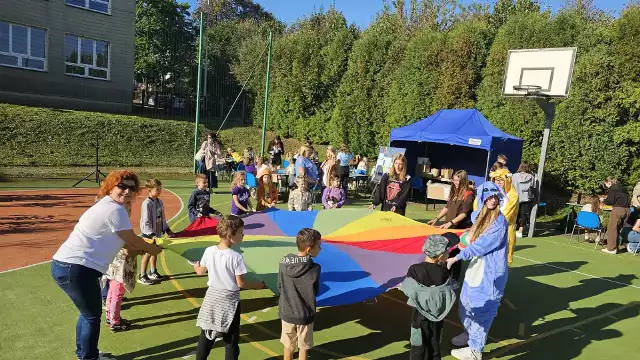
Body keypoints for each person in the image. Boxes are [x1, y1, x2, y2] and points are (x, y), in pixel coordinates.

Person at [51, 171, 162, 360]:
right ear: (111, 186)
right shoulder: (115, 209)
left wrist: (144, 249)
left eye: (131, 188)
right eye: (122, 186)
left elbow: (127, 248)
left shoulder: (108, 206)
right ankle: (89, 357)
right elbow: (131, 239)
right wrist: (152, 248)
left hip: (69, 267)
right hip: (77, 269)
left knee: (87, 314)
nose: (127, 191)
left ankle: (85, 354)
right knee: (92, 317)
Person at [445, 182, 509, 360]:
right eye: (488, 197)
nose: (492, 200)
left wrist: (456, 257)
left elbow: (481, 246)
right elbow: (470, 234)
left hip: (491, 273)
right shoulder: (479, 216)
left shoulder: (499, 222)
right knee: (466, 303)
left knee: (482, 309)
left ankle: (475, 350)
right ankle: (469, 334)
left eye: (495, 197)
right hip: (477, 268)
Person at [192, 215, 267, 360]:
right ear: (230, 235)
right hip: (229, 302)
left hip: (211, 299)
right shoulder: (236, 257)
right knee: (231, 340)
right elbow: (241, 283)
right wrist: (258, 286)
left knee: (206, 335)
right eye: (240, 232)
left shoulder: (209, 251)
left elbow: (200, 271)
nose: (243, 235)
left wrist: (196, 266)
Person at [402, 235, 456, 360]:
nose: (449, 253)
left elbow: (408, 289)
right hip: (437, 318)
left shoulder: (415, 269)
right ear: (440, 255)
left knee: (417, 346)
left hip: (419, 318)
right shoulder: (444, 272)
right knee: (435, 344)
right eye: (447, 251)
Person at [278, 228, 322, 360]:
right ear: (309, 249)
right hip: (305, 313)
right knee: (303, 347)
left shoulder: (283, 263)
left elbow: (280, 286)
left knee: (288, 345)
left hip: (287, 311)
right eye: (319, 246)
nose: (320, 249)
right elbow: (315, 290)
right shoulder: (315, 268)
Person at [138, 179, 175, 285]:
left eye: (160, 189)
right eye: (157, 189)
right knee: (148, 253)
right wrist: (151, 234)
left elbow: (162, 217)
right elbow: (146, 221)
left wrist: (167, 229)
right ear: (149, 189)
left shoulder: (159, 202)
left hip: (157, 232)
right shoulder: (147, 203)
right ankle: (142, 275)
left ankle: (153, 271)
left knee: (155, 252)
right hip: (149, 234)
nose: (159, 191)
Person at [490, 168, 519, 267]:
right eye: (496, 179)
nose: (498, 182)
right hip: (489, 229)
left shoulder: (512, 195)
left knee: (502, 261)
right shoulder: (491, 191)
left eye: (501, 180)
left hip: (505, 230)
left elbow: (506, 214)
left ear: (507, 180)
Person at [601, 177, 630, 254]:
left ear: (609, 182)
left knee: (612, 229)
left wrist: (603, 200)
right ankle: (615, 247)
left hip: (618, 209)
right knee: (618, 229)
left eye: (605, 185)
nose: (606, 187)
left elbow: (610, 201)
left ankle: (611, 249)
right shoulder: (624, 189)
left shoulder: (612, 188)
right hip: (627, 210)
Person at [511, 162, 536, 238]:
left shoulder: (514, 176)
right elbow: (533, 186)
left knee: (515, 214)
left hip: (515, 197)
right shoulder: (531, 177)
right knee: (523, 215)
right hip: (526, 197)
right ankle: (520, 231)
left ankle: (513, 229)